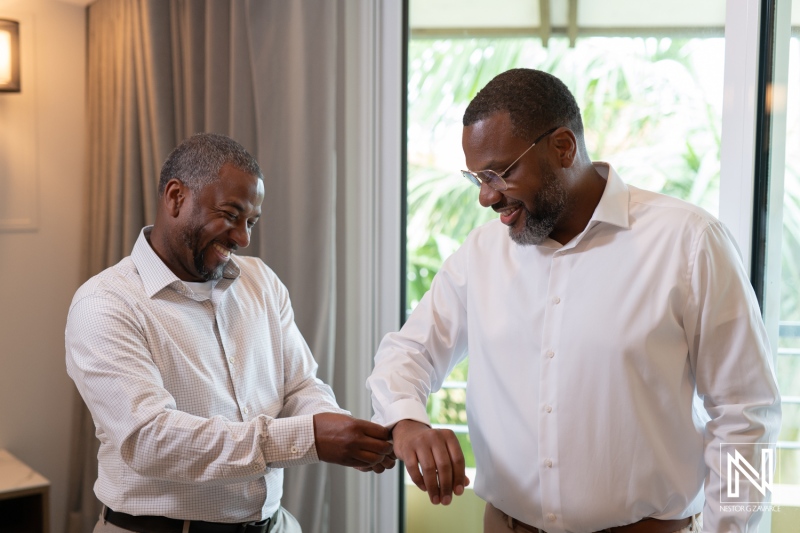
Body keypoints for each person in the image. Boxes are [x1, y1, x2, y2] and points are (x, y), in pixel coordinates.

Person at [367, 69, 781, 533]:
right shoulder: (479, 256)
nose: (486, 196)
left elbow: (749, 412)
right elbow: (406, 354)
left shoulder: (689, 243)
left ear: (563, 147)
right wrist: (407, 421)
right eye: (476, 177)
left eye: (499, 173)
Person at [66, 133, 394, 533]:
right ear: (175, 197)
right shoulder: (105, 303)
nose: (242, 238)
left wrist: (339, 428)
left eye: (251, 222)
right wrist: (308, 438)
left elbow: (300, 387)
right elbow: (151, 440)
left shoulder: (262, 282)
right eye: (230, 214)